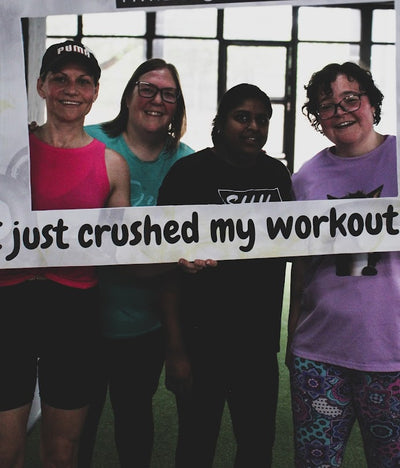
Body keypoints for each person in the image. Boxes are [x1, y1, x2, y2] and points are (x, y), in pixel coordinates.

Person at [0, 40, 130, 468]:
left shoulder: (111, 165)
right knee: (5, 449)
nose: (71, 89)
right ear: (41, 86)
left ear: (94, 92)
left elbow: (123, 245)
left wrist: (186, 250)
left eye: (83, 81)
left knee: (62, 451)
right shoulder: (7, 154)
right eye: (60, 78)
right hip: (8, 303)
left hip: (74, 307)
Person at [157, 83, 292, 468]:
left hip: (259, 345)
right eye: (243, 117)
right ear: (221, 122)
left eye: (262, 119)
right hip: (202, 345)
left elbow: (292, 249)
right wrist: (176, 349)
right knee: (196, 447)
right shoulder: (188, 174)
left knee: (256, 447)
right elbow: (166, 270)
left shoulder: (277, 175)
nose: (254, 127)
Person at [78, 58, 194, 468]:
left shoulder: (186, 162)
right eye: (147, 89)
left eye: (168, 94)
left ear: (177, 106)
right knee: (77, 428)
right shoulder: (87, 142)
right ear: (128, 96)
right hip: (82, 314)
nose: (156, 100)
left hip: (146, 321)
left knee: (134, 422)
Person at [287, 62, 400, 467]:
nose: (341, 111)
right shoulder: (306, 180)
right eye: (327, 105)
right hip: (319, 353)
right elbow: (300, 270)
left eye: (351, 98)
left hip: (393, 356)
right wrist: (291, 341)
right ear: (318, 118)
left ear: (372, 102)